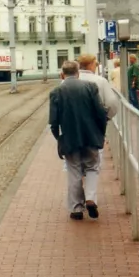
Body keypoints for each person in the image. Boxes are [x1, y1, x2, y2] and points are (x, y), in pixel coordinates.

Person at [49, 61, 108, 220]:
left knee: (74, 170)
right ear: (78, 73)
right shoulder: (90, 87)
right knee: (92, 167)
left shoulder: (56, 92)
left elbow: (53, 122)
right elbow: (100, 113)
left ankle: (76, 209)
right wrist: (100, 133)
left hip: (69, 138)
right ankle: (90, 198)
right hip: (90, 136)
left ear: (62, 74)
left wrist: (59, 139)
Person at [77, 54, 118, 120]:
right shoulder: (101, 81)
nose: (96, 67)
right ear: (90, 65)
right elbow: (111, 103)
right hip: (95, 121)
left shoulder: (67, 82)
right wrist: (106, 117)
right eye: (95, 64)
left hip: (73, 123)